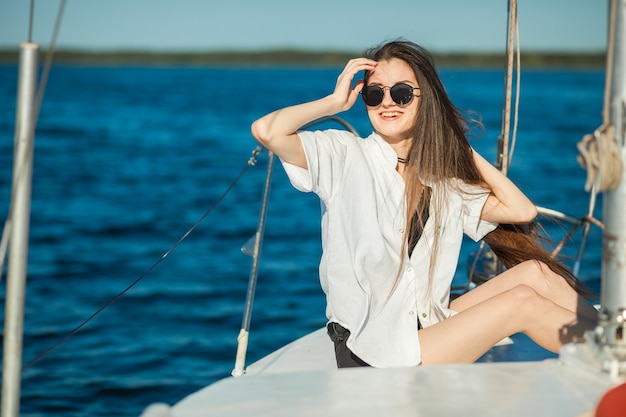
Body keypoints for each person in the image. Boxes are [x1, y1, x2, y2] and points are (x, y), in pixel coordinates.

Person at [251, 40, 599, 368]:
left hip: (426, 329)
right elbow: (267, 130)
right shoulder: (344, 155)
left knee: (536, 274)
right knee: (522, 303)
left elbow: (522, 210)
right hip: (376, 351)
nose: (387, 102)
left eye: (401, 93)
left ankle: (615, 340)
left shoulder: (441, 181)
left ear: (425, 99)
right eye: (374, 94)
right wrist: (334, 102)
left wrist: (460, 147)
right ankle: (613, 360)